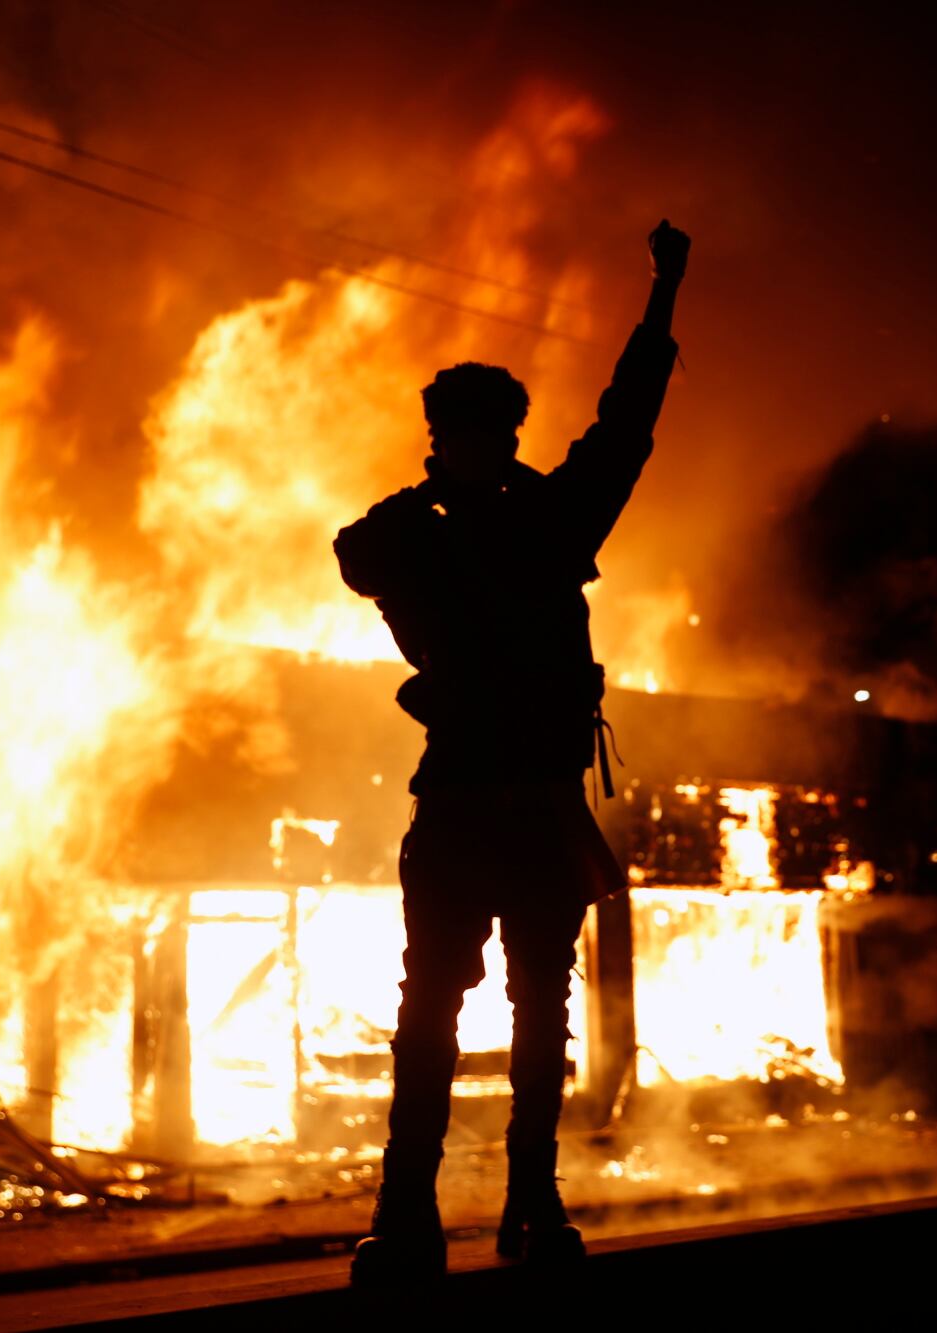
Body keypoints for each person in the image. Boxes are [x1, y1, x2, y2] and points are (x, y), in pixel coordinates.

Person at [334, 219, 690, 1283]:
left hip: (532, 799)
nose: (474, 449)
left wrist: (661, 300)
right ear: (441, 441)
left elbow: (625, 422)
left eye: (487, 433)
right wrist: (434, 499)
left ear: (501, 436)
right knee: (430, 1012)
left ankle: (529, 1201)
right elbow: (355, 559)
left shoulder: (550, 521)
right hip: (463, 800)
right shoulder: (425, 530)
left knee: (539, 1010)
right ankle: (407, 1210)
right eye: (459, 436)